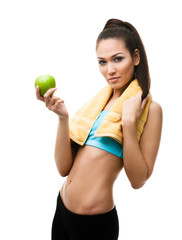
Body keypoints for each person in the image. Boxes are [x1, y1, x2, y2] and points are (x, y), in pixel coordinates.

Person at [36, 18, 163, 240]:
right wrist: (63, 118)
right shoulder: (96, 104)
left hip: (94, 226)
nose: (110, 70)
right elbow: (63, 169)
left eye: (118, 59)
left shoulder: (150, 109)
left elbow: (138, 180)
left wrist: (129, 124)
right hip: (62, 209)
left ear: (136, 57)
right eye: (102, 62)